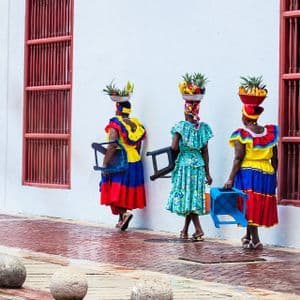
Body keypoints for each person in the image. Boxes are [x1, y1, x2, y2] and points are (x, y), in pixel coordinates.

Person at [224, 104, 279, 250]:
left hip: (248, 172)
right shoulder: (270, 133)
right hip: (267, 172)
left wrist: (230, 178)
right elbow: (275, 158)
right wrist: (274, 175)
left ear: (244, 117)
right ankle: (248, 236)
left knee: (249, 206)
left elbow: (238, 158)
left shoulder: (241, 134)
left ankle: (256, 239)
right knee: (257, 204)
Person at [166, 100, 213, 241]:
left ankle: (198, 229)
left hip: (185, 165)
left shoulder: (181, 127)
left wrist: (181, 143)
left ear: (185, 112)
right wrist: (208, 173)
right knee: (192, 197)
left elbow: (174, 147)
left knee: (188, 197)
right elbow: (205, 152)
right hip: (198, 165)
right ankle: (185, 230)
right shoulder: (203, 128)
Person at [100, 101, 146, 231]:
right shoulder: (134, 123)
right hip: (134, 160)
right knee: (125, 190)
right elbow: (138, 144)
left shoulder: (116, 124)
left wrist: (105, 163)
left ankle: (125, 214)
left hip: (120, 160)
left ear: (118, 109)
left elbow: (113, 144)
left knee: (115, 190)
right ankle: (121, 219)